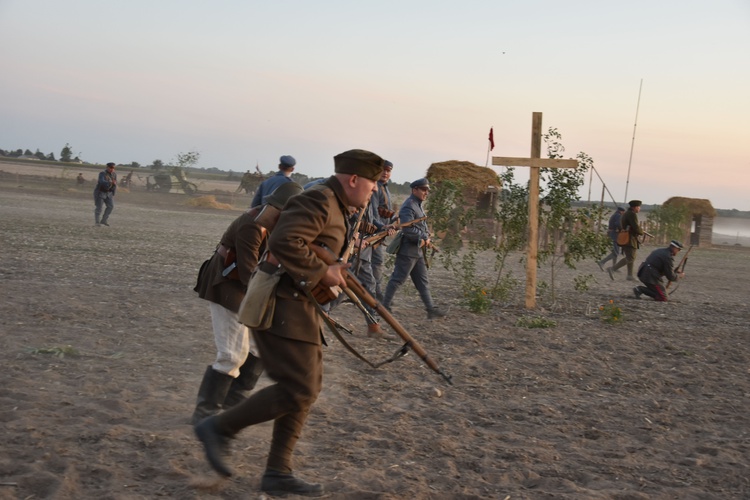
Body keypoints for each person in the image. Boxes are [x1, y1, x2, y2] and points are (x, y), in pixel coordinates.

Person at [194, 149, 385, 496]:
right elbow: (285, 242)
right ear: (354, 179)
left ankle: (277, 471)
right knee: (297, 388)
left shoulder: (339, 206)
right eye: (372, 182)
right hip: (281, 302)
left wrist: (333, 270)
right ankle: (218, 427)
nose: (374, 190)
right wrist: (321, 272)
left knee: (307, 389)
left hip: (302, 304)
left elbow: (312, 246)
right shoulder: (319, 200)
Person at [191, 181, 303, 426]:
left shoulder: (274, 226)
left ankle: (234, 400)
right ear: (280, 209)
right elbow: (248, 273)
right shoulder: (252, 227)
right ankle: (205, 414)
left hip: (249, 288)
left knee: (259, 345)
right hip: (227, 287)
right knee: (232, 354)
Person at [381, 178, 446, 319]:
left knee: (422, 282)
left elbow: (419, 226)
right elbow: (408, 230)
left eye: (427, 190)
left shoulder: (417, 205)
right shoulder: (409, 206)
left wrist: (426, 235)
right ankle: (385, 307)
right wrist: (424, 237)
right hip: (408, 251)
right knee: (397, 279)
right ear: (414, 190)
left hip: (417, 252)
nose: (426, 193)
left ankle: (431, 309)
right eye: (423, 189)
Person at [371, 160, 397, 301]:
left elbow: (386, 210)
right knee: (376, 261)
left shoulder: (385, 188)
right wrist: (383, 227)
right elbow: (374, 213)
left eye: (388, 171)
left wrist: (394, 218)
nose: (386, 173)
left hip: (381, 232)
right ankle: (376, 292)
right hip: (373, 232)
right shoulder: (375, 187)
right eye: (383, 170)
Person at [608, 200, 644, 281]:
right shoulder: (632, 214)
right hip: (629, 238)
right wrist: (641, 232)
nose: (639, 209)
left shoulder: (627, 213)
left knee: (631, 257)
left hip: (626, 237)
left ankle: (629, 275)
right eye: (638, 207)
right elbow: (635, 226)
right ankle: (613, 269)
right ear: (635, 207)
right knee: (630, 258)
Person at [597, 206, 625, 271]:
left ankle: (614, 267)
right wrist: (621, 229)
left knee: (615, 251)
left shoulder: (615, 215)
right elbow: (618, 223)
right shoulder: (618, 216)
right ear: (622, 211)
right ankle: (602, 262)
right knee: (616, 252)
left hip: (612, 233)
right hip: (614, 234)